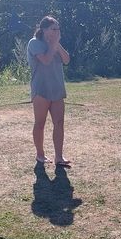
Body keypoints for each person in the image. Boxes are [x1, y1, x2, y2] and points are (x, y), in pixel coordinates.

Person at [27, 16, 71, 167]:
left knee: (59, 122)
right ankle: (40, 154)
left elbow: (66, 60)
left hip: (57, 88)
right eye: (53, 29)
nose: (57, 32)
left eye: (58, 29)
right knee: (40, 123)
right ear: (44, 30)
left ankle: (59, 157)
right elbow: (45, 60)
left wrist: (56, 44)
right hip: (41, 89)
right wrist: (53, 45)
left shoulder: (55, 44)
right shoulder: (34, 43)